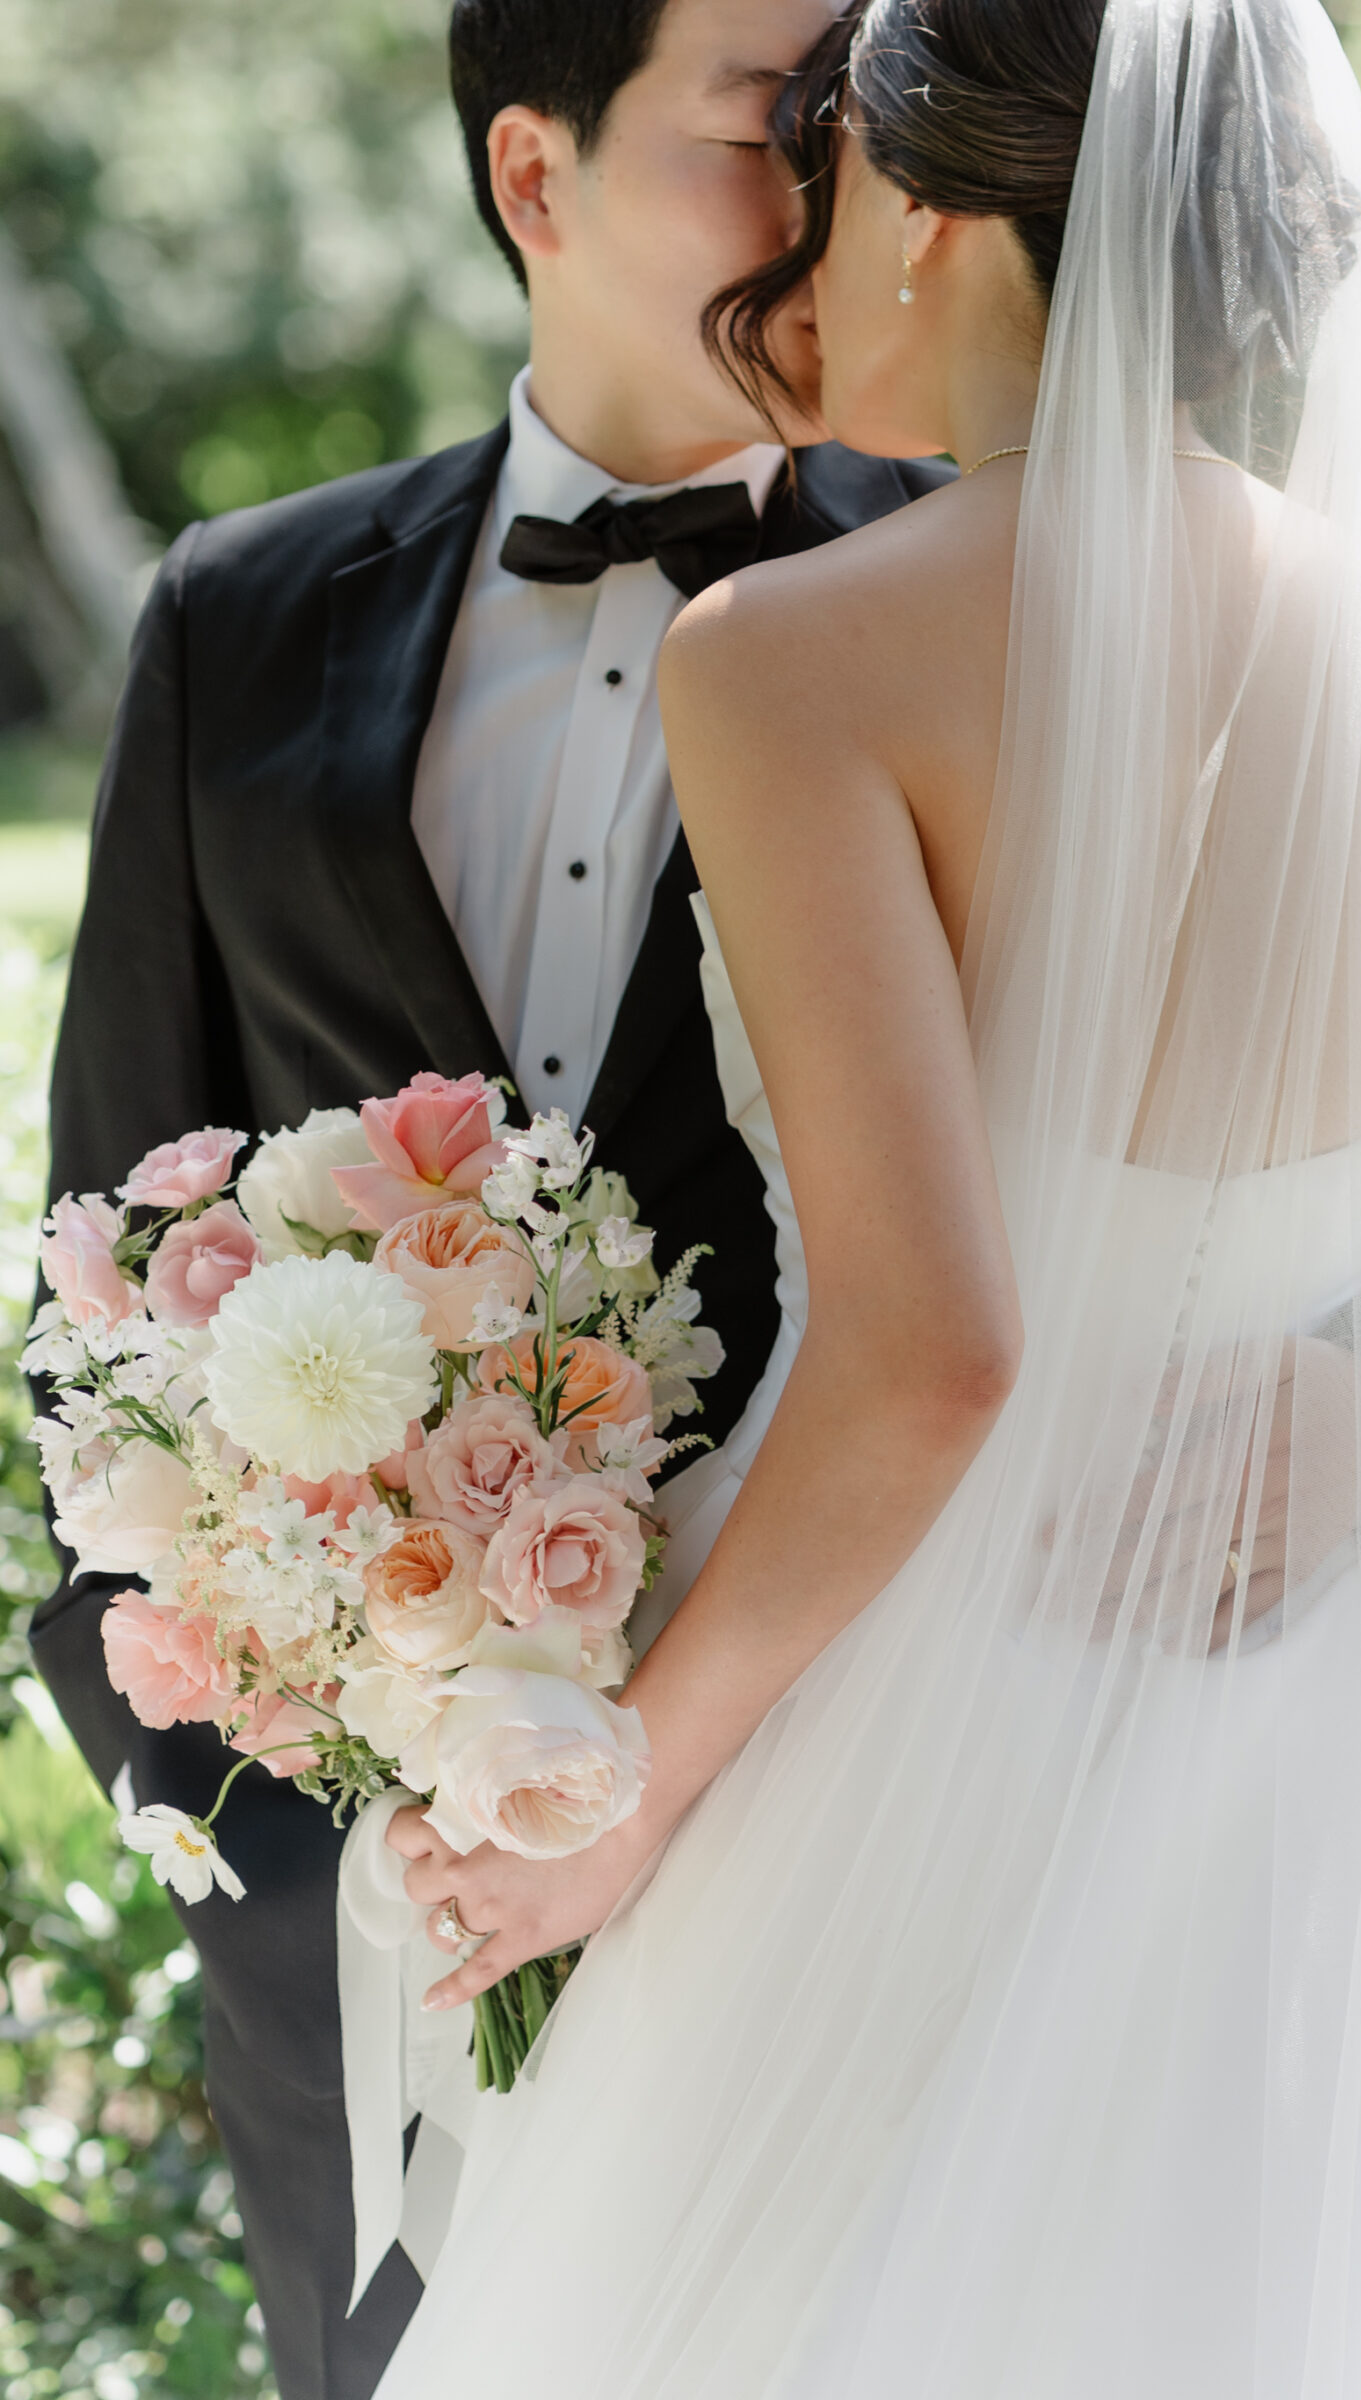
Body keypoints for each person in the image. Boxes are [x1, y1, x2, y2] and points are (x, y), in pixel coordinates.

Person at [372, 0, 1361, 2388]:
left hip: (952, 1716)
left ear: (928, 216)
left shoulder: (797, 663)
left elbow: (941, 1354)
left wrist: (624, 1796)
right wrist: (1350, 1416)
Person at [28, 0, 950, 2390]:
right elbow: (106, 1229)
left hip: (827, 1821)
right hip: (351, 1898)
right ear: (537, 180)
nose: (849, 192)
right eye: (775, 133)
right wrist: (254, 1793)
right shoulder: (238, 620)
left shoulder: (972, 619)